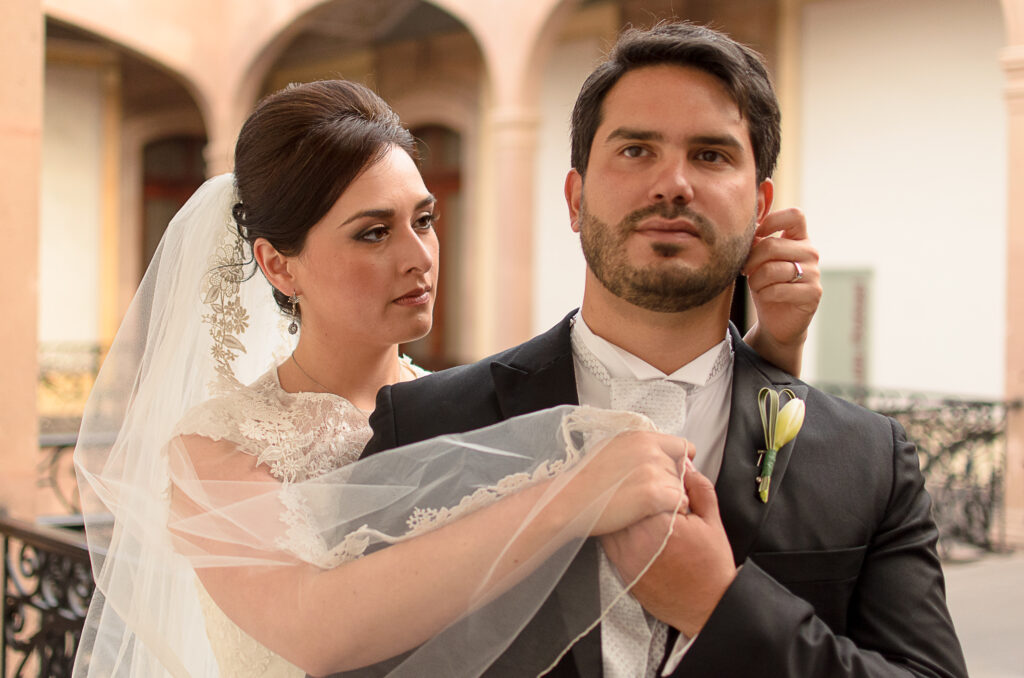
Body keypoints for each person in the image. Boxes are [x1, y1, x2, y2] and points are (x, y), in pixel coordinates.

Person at [72, 78, 814, 678]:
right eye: (374, 232)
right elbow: (314, 629)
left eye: (423, 220)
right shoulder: (216, 447)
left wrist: (771, 352)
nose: (418, 256)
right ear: (278, 265)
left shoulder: (465, 404)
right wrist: (574, 494)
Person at [361, 21, 967, 678]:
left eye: (710, 155)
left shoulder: (870, 461)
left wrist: (721, 608)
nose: (672, 184)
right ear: (575, 198)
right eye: (635, 150)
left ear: (759, 208)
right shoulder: (424, 426)